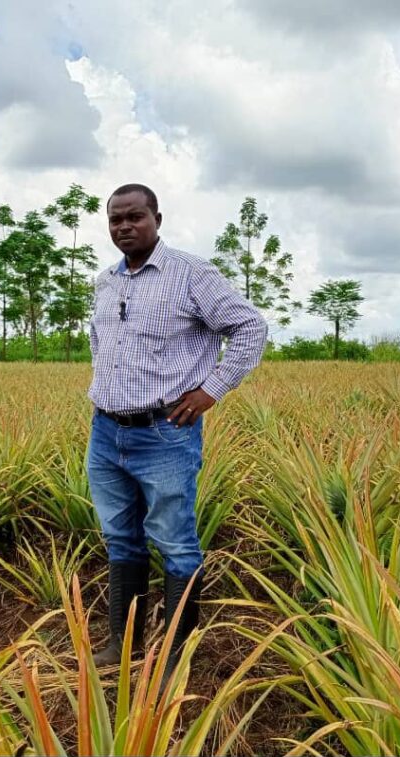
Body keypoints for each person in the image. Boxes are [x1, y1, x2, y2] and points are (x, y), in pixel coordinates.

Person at [87, 183, 267, 680]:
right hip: (106, 434)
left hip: (165, 434)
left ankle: (174, 659)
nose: (124, 226)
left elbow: (251, 327)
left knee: (175, 542)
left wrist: (211, 390)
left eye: (134, 217)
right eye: (116, 219)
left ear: (157, 219)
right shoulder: (105, 282)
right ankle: (123, 645)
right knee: (120, 539)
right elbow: (103, 348)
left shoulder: (191, 274)